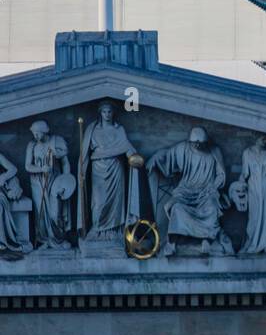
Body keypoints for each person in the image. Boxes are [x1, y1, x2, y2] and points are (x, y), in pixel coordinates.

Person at [146, 127, 232, 256]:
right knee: (177, 208)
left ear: (206, 142)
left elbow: (221, 174)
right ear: (190, 141)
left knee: (212, 208)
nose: (197, 145)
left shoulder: (214, 152)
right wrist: (156, 158)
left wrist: (213, 187)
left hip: (207, 192)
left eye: (200, 143)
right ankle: (172, 243)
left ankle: (206, 240)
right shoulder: (183, 149)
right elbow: (168, 155)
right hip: (186, 191)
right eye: (194, 142)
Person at [77, 103, 144, 243]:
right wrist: (81, 170)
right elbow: (84, 155)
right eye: (104, 112)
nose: (107, 114)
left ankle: (114, 232)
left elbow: (127, 147)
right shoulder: (92, 130)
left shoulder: (119, 130)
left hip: (116, 168)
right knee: (98, 203)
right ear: (100, 113)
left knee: (116, 203)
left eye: (109, 112)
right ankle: (97, 230)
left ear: (113, 113)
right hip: (98, 169)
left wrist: (134, 157)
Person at [26, 120, 73, 249]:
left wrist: (66, 181)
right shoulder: (32, 145)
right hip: (37, 184)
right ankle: (44, 240)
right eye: (33, 133)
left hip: (55, 182)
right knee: (40, 215)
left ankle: (58, 239)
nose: (35, 136)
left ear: (45, 131)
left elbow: (65, 163)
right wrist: (41, 169)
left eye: (37, 133)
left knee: (55, 212)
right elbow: (28, 166)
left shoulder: (56, 141)